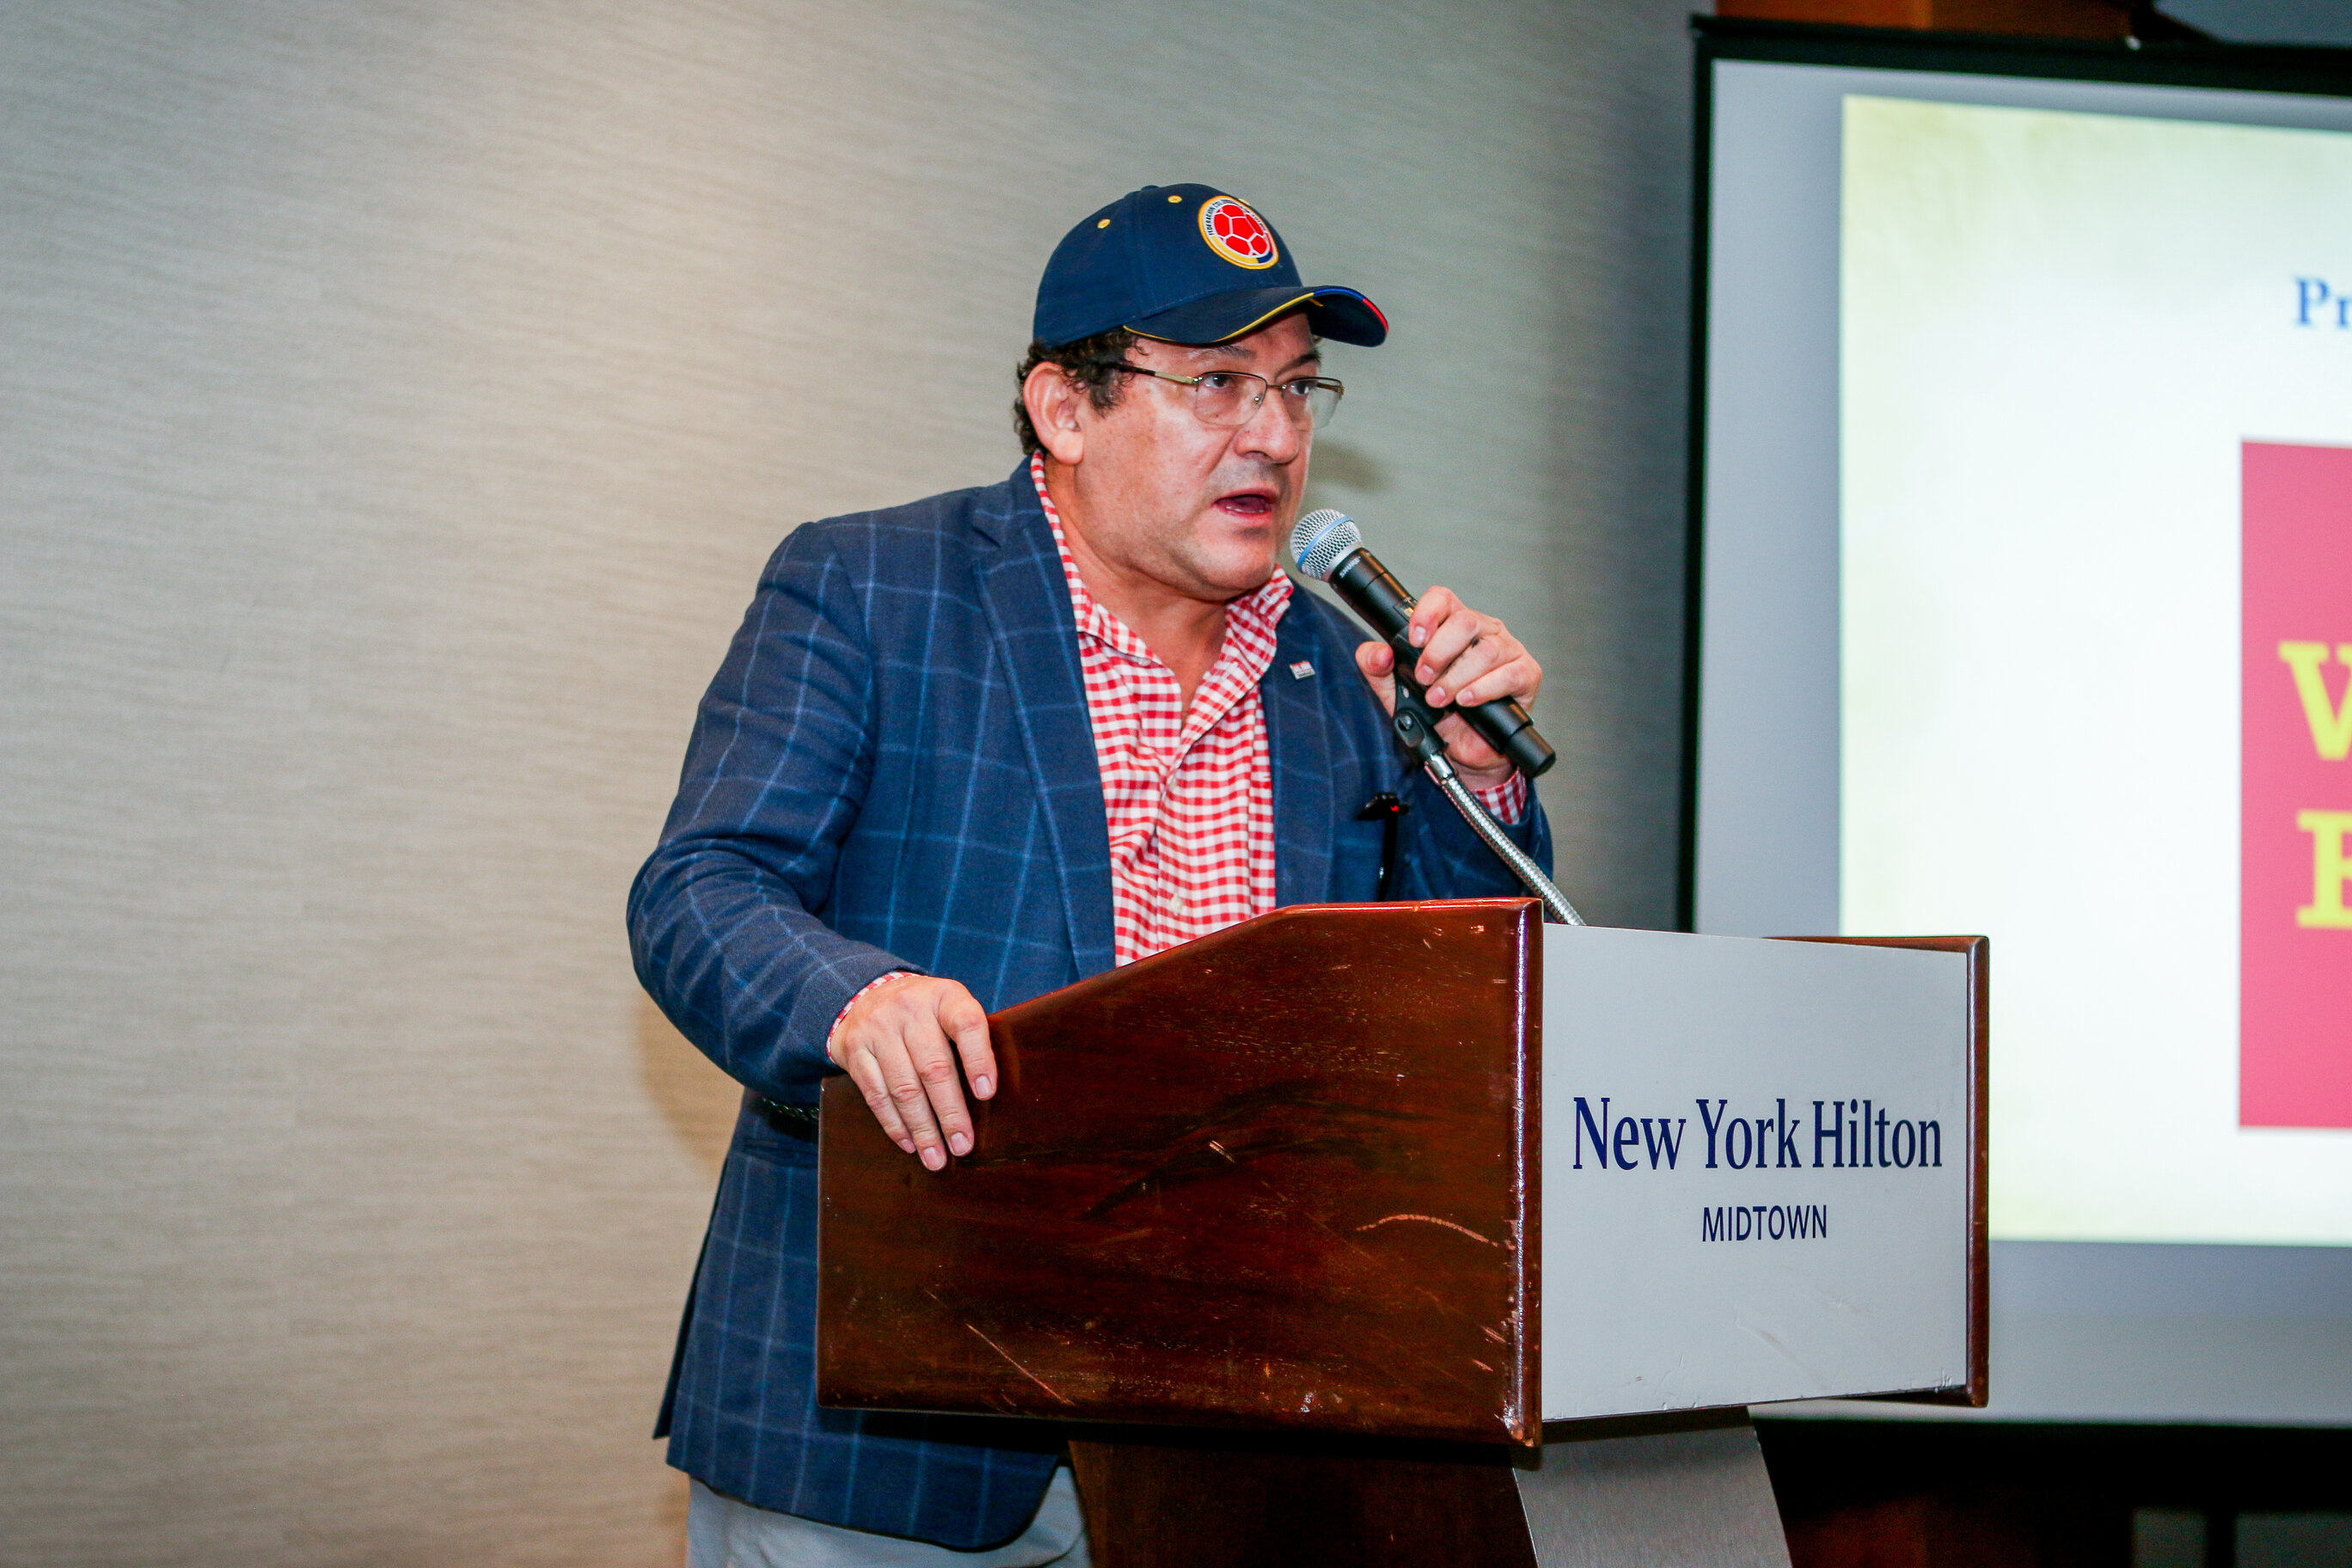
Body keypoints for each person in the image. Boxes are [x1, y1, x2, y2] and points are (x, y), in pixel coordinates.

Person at [628, 182, 1555, 1566]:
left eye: (1301, 392)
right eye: (1220, 384)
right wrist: (855, 1000)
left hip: (1228, 1446)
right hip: (889, 1429)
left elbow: (1448, 1009)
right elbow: (703, 889)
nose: (1275, 436)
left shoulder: (1346, 675)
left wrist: (1478, 780)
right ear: (1065, 408)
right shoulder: (874, 588)